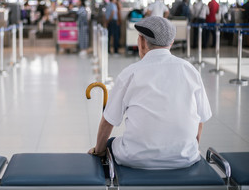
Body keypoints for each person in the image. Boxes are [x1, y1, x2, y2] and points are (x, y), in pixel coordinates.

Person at [88, 16, 212, 170]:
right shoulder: (190, 70)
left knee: (108, 144)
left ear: (141, 41)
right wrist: (187, 149)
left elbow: (108, 121)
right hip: (186, 158)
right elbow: (201, 118)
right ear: (171, 43)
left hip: (135, 159)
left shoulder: (130, 73)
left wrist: (98, 151)